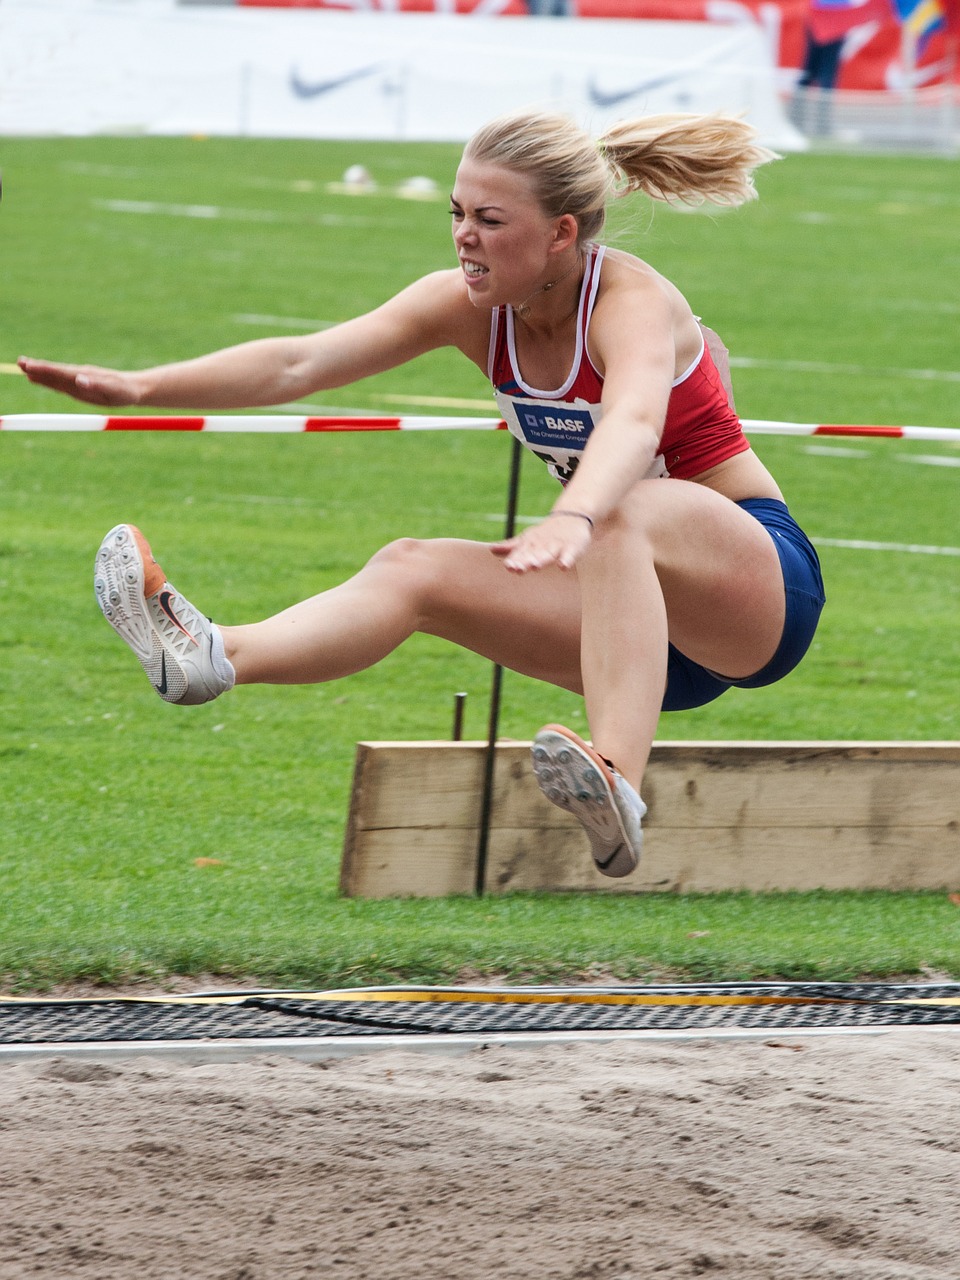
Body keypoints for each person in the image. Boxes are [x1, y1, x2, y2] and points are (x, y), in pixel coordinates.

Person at [18, 109, 825, 880]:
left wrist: (577, 512)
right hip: (634, 631)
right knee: (413, 569)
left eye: (490, 220)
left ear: (561, 234)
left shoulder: (632, 302)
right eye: (457, 212)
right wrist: (139, 386)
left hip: (757, 595)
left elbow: (637, 421)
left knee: (621, 510)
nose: (465, 237)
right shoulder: (465, 306)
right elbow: (300, 364)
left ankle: (614, 775)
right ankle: (215, 658)